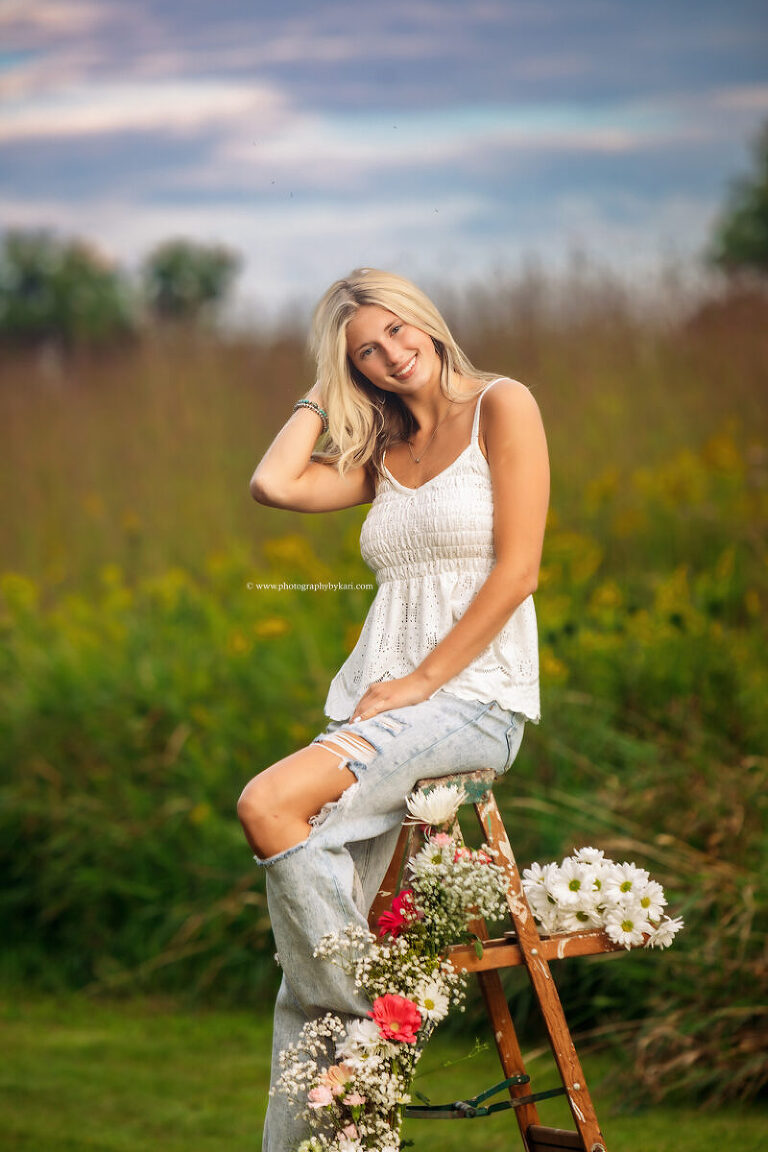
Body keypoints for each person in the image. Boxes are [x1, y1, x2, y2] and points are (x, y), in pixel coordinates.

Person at [237, 267, 550, 1152]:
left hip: (473, 702)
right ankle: (337, 1077)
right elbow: (274, 484)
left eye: (394, 333)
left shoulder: (503, 405)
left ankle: (376, 1010)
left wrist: (420, 683)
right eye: (365, 353)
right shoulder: (382, 452)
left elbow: (517, 571)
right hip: (379, 713)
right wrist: (319, 389)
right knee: (307, 959)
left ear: (426, 321)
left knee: (268, 804)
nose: (389, 355)